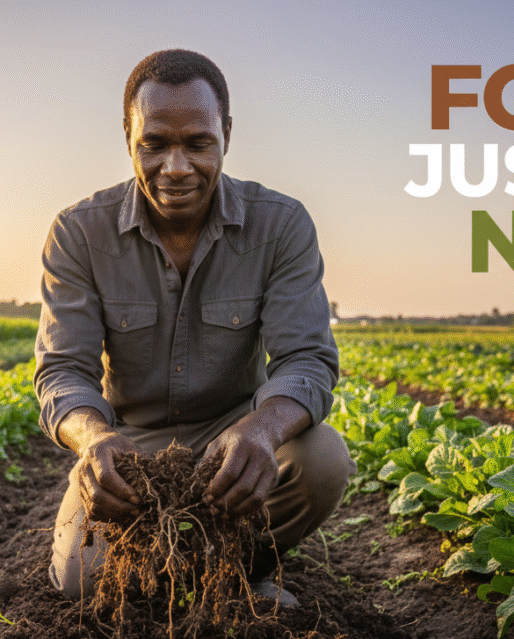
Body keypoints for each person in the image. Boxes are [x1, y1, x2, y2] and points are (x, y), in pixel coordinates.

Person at [34, 48, 356, 608]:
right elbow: (63, 370)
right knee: (82, 583)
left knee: (322, 459)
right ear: (129, 137)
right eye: (155, 144)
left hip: (235, 441)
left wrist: (262, 431)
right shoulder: (79, 233)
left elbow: (307, 358)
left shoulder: (280, 225)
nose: (176, 167)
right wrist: (95, 439)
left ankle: (236, 570)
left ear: (226, 135)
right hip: (132, 451)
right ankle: (193, 577)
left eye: (198, 144)